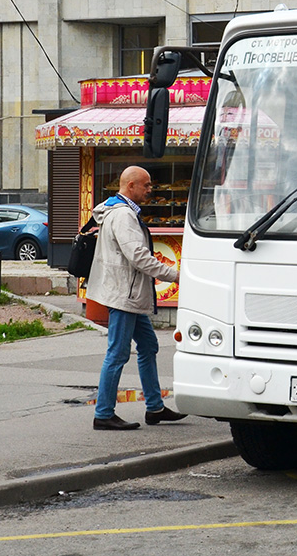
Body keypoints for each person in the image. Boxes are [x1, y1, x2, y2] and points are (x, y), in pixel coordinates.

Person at [88, 166, 185, 431]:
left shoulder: (121, 211)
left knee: (148, 346)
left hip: (127, 293)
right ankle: (103, 414)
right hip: (124, 295)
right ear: (131, 186)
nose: (150, 190)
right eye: (147, 185)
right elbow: (139, 256)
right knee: (117, 354)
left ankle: (155, 408)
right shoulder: (123, 215)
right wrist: (175, 275)